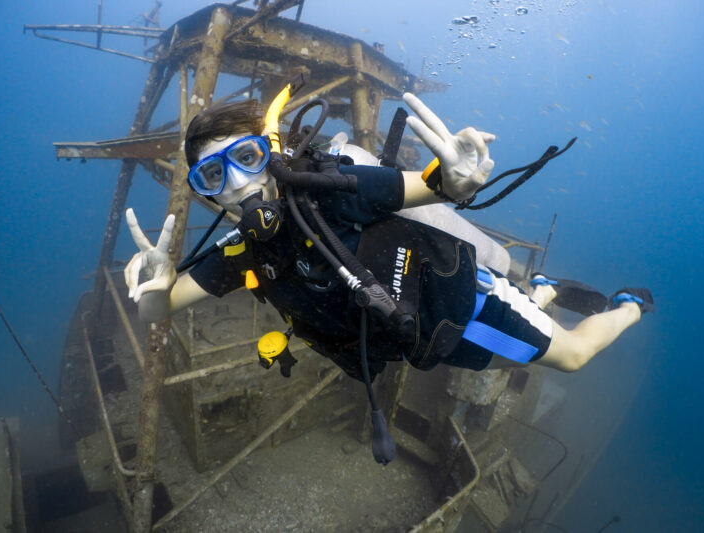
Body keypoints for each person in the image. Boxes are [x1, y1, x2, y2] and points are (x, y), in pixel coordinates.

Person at [124, 92, 653, 382]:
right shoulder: (243, 255)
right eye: (213, 176)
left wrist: (456, 178)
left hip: (468, 304)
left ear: (271, 152)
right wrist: (156, 289)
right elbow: (158, 311)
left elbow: (426, 186)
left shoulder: (332, 190)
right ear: (205, 195)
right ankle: (544, 291)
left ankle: (630, 304)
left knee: (572, 357)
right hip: (422, 341)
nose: (239, 184)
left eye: (244, 158)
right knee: (500, 362)